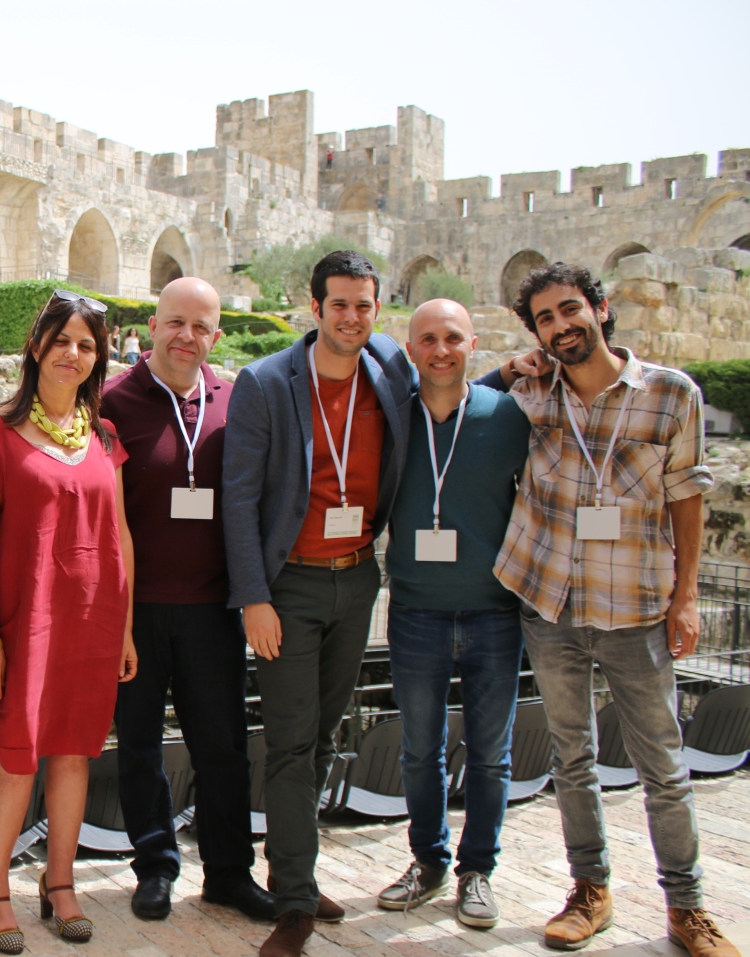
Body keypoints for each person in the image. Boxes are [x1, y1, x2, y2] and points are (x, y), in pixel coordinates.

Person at [494, 263, 738, 957]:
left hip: (635, 605)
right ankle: (589, 890)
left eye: (570, 308)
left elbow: (687, 496)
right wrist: (508, 366)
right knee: (571, 756)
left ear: (599, 309)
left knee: (663, 764)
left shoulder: (670, 393)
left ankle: (686, 906)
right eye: (544, 318)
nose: (560, 325)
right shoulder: (530, 392)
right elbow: (459, 396)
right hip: (552, 604)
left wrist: (685, 596)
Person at [221, 250, 412, 957]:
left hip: (357, 579)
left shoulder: (389, 370)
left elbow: (446, 383)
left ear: (376, 309)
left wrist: (509, 374)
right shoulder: (268, 382)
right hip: (290, 588)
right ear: (315, 307)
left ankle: (293, 867)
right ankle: (295, 902)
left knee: (326, 733)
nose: (352, 317)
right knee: (291, 740)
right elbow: (238, 498)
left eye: (363, 305)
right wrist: (253, 597)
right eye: (339, 305)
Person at [0, 290, 137, 954]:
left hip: (93, 625)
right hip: (24, 625)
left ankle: (59, 882)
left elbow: (120, 537)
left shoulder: (104, 437)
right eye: (61, 339)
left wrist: (124, 629)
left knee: (74, 754)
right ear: (36, 346)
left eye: (87, 345)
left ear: (99, 359)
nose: (73, 353)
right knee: (15, 757)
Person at [101, 278, 272, 922]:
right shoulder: (113, 401)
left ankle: (229, 872)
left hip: (212, 607)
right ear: (152, 326)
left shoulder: (235, 400)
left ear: (216, 337)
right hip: (136, 609)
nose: (186, 336)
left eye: (201, 327)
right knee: (140, 745)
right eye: (176, 322)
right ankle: (155, 867)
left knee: (222, 746)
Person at [374, 299, 530, 929]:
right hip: (416, 611)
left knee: (491, 754)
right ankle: (429, 860)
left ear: (474, 345)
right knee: (420, 751)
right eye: (428, 339)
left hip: (496, 612)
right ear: (410, 349)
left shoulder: (509, 415)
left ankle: (477, 870)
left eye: (454, 338)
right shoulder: (392, 418)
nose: (441, 350)